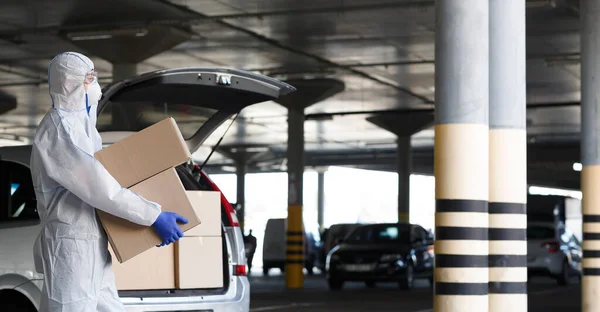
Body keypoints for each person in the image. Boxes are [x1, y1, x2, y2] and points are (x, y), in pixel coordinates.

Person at [30, 52, 188, 312]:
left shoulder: (84, 127)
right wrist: (152, 216)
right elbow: (99, 188)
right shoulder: (60, 129)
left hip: (91, 241)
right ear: (70, 82)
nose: (95, 85)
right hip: (71, 245)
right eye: (89, 78)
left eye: (94, 77)